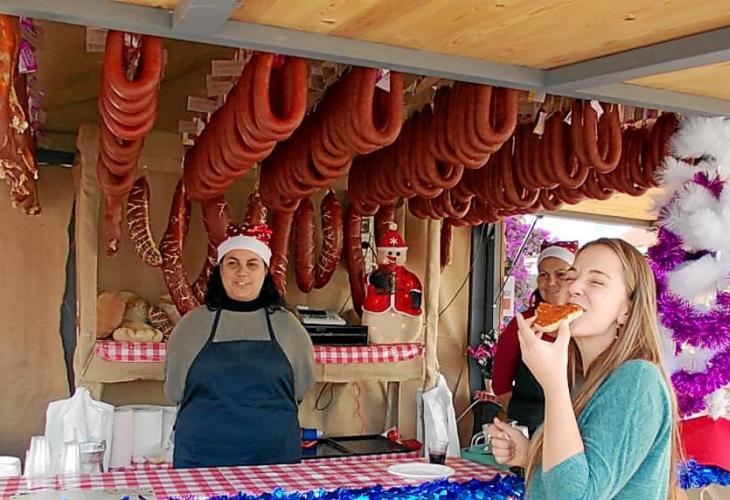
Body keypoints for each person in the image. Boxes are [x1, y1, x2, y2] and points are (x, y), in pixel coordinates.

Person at [488, 238, 681, 499]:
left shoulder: (637, 379)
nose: (574, 288)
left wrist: (553, 384)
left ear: (627, 310)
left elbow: (577, 496)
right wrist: (528, 454)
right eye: (572, 277)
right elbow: (574, 475)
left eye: (596, 281)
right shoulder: (588, 379)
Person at [165, 223, 315, 468]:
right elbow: (174, 390)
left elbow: (302, 386)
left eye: (252, 264)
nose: (242, 272)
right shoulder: (192, 325)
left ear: (265, 271)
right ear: (220, 270)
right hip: (202, 454)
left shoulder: (288, 327)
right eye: (232, 263)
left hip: (274, 456)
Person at [491, 240, 577, 435]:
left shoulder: (585, 323)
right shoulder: (522, 324)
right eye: (543, 274)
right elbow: (501, 384)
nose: (551, 282)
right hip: (530, 432)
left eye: (561, 274)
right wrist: (525, 417)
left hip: (580, 429)